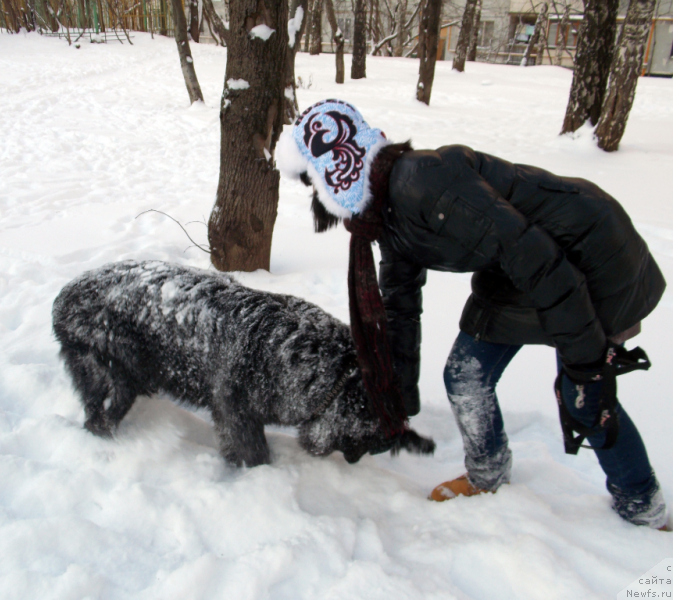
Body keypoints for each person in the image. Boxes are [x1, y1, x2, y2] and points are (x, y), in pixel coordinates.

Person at [276, 99, 669, 531]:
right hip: (517, 266)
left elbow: (538, 259)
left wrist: (585, 362)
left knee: (585, 393)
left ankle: (641, 505)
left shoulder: (424, 182)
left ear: (335, 170)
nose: (313, 194)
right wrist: (394, 409)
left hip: (588, 251)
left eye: (312, 182)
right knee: (466, 375)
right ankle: (488, 472)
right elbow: (400, 306)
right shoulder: (383, 216)